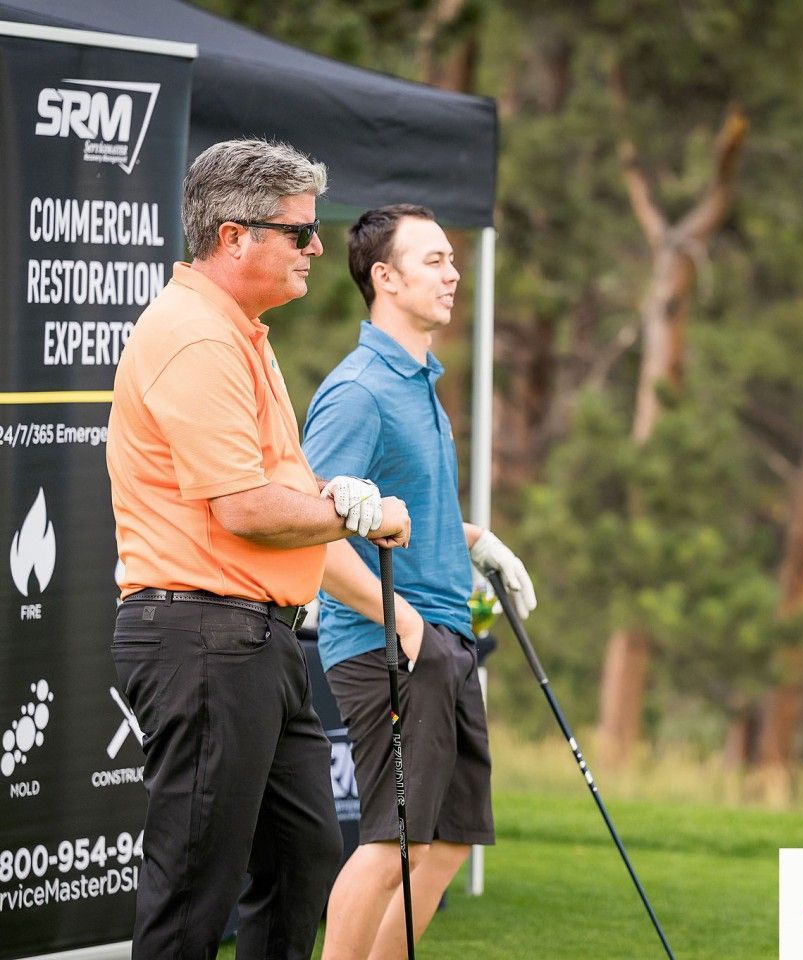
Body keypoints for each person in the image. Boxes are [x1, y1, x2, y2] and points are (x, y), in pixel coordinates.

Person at [107, 139, 411, 959]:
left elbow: (278, 493)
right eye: (299, 231)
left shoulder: (239, 332)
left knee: (301, 855)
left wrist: (338, 503)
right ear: (235, 237)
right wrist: (354, 514)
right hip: (203, 636)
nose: (316, 247)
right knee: (193, 890)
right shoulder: (198, 337)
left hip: (251, 637)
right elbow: (244, 508)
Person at [302, 204, 537, 960]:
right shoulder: (359, 390)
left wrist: (474, 540)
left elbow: (399, 515)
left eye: (452, 259)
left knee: (447, 842)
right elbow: (311, 538)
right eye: (433, 260)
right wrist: (404, 625)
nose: (453, 273)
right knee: (392, 843)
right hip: (389, 642)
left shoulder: (420, 385)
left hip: (443, 636)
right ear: (386, 277)